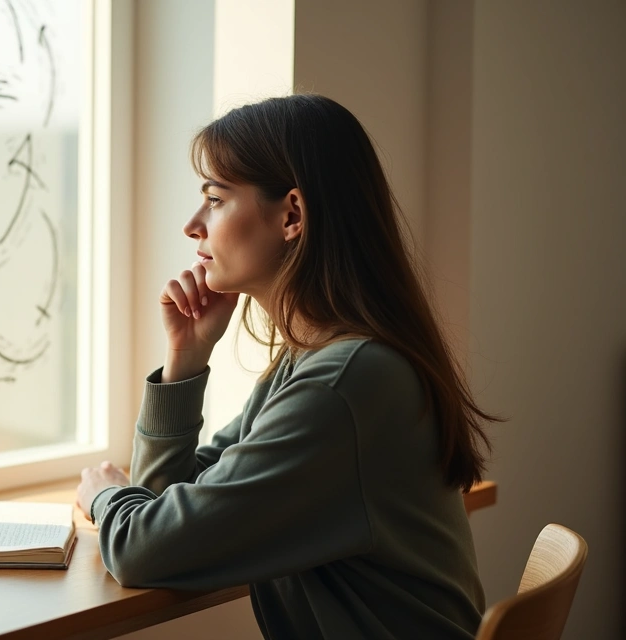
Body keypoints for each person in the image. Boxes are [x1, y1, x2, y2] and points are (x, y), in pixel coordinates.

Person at [75, 94, 497, 639]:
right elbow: (175, 509)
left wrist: (103, 495)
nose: (192, 225)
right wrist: (184, 363)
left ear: (292, 215)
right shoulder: (317, 361)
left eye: (215, 198)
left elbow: (144, 550)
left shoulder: (343, 385)